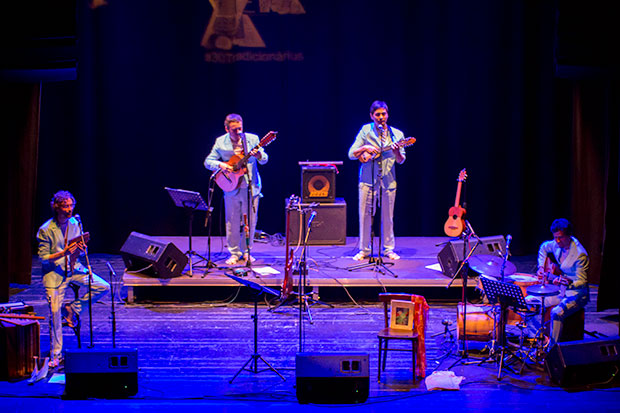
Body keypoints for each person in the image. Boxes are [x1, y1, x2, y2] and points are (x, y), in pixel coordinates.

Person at [37, 191, 110, 367]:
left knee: (103, 286)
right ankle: (56, 354)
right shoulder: (46, 229)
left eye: (71, 206)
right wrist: (64, 253)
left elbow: (75, 246)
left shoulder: (75, 222)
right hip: (55, 273)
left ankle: (72, 307)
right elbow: (43, 258)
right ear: (57, 207)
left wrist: (80, 247)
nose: (69, 209)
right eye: (65, 206)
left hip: (74, 267)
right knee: (54, 313)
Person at [204, 113, 268, 265]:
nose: (238, 132)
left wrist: (259, 154)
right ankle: (234, 252)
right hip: (231, 186)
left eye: (240, 128)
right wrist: (222, 165)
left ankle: (247, 251)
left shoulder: (252, 139)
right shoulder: (220, 142)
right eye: (234, 130)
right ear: (227, 129)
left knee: (251, 221)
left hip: (251, 187)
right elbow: (208, 161)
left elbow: (265, 159)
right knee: (232, 221)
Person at [348, 100, 406, 261]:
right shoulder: (366, 131)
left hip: (388, 181)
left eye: (384, 114)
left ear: (388, 114)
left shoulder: (397, 135)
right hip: (367, 181)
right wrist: (365, 148)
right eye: (378, 114)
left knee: (388, 217)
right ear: (372, 116)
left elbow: (401, 160)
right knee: (365, 215)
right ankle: (364, 250)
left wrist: (396, 152)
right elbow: (351, 154)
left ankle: (388, 249)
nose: (381, 117)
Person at [529, 218, 589, 348]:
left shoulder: (580, 255)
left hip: (576, 293)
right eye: (555, 237)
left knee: (556, 312)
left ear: (569, 235)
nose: (557, 241)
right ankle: (538, 340)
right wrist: (540, 267)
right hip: (561, 291)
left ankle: (553, 349)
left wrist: (569, 283)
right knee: (529, 301)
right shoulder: (556, 244)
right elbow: (543, 248)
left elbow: (582, 282)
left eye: (560, 238)